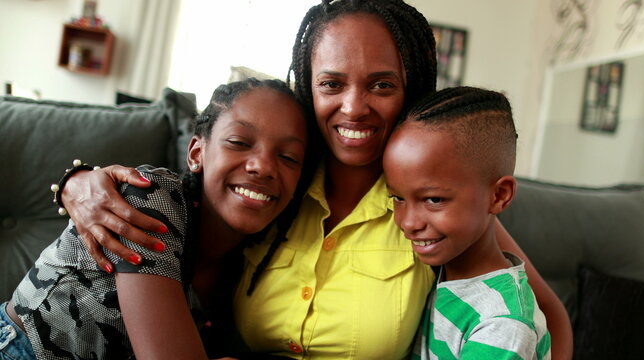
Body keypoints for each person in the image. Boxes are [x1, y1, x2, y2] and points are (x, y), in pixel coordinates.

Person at [57, 0, 573, 358]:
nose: (354, 107)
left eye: (381, 84)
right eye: (331, 83)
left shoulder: (427, 210)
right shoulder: (276, 181)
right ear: (309, 86)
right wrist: (77, 182)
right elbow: (187, 195)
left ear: (410, 88)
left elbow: (545, 318)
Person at [1, 78, 315, 360]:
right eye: (239, 143)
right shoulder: (151, 197)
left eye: (288, 157)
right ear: (196, 153)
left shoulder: (256, 260)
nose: (263, 166)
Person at [384, 86, 550, 359]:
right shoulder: (446, 273)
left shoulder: (503, 325)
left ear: (499, 195)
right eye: (397, 198)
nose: (408, 222)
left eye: (434, 199)